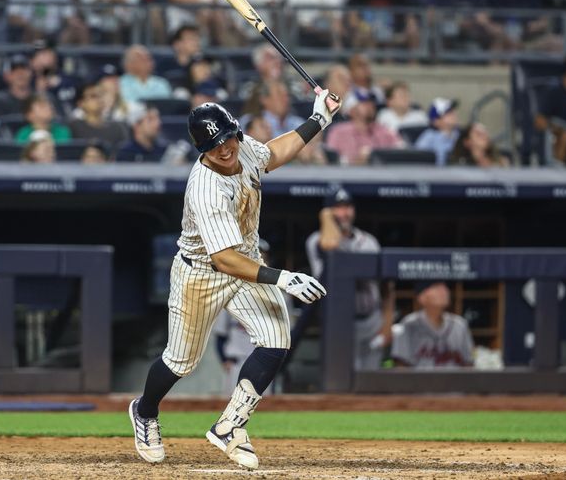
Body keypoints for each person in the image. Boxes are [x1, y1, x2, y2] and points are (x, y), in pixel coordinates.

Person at [127, 90, 342, 469]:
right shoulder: (205, 186)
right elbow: (224, 259)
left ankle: (230, 424)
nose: (224, 149)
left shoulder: (241, 147)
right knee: (181, 362)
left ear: (235, 131)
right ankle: (144, 412)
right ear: (200, 149)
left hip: (246, 263)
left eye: (227, 138)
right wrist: (284, 278)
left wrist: (318, 119)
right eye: (213, 145)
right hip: (203, 274)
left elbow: (273, 154)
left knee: (277, 338)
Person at [299, 188, 395, 370]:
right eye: (337, 208)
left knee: (370, 380)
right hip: (339, 324)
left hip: (371, 320)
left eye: (348, 207)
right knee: (342, 382)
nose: (344, 213)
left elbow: (386, 286)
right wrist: (326, 217)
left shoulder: (368, 242)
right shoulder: (315, 241)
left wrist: (387, 323)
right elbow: (330, 244)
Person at [213, 239, 281, 395]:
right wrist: (224, 359)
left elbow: (284, 335)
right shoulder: (228, 292)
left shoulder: (277, 294)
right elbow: (220, 335)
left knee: (264, 410)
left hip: (263, 362)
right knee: (230, 409)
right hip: (236, 362)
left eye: (261, 258)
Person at [391, 282, 474, 368]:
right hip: (419, 380)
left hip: (454, 381)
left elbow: (469, 363)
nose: (444, 291)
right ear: (422, 297)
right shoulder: (408, 324)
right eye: (436, 287)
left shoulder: (460, 325)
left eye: (445, 287)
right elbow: (401, 365)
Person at [326, 92, 403, 165]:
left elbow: (400, 150)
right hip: (348, 176)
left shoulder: (383, 130)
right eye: (364, 103)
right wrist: (357, 161)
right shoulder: (338, 132)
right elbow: (330, 160)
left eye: (371, 103)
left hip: (381, 175)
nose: (370, 105)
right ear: (351, 110)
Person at [69, 83, 128, 147]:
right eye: (93, 96)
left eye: (101, 95)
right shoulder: (74, 127)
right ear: (81, 103)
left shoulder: (117, 128)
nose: (99, 99)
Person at [415, 98, 461, 166]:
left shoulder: (460, 135)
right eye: (448, 113)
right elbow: (417, 160)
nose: (453, 114)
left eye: (453, 111)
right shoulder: (429, 137)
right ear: (436, 121)